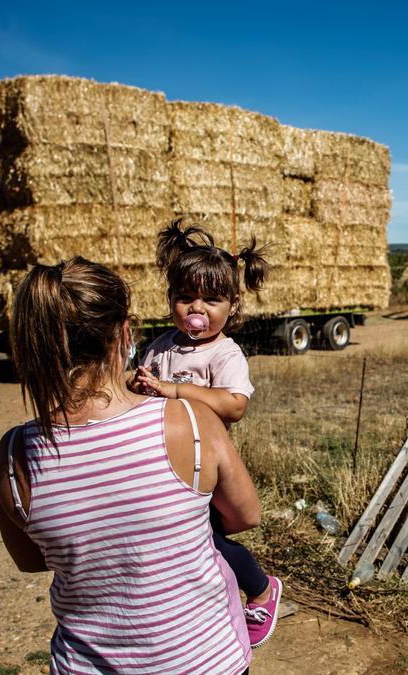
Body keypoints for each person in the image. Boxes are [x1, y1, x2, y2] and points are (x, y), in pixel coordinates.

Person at [0, 257, 259, 674]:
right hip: (205, 660)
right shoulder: (190, 421)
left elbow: (33, 560)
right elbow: (245, 515)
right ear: (125, 332)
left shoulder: (14, 457)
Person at [130, 219, 282, 649]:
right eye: (185, 298)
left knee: (206, 539)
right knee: (174, 538)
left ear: (232, 307)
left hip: (206, 465)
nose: (197, 308)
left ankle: (261, 589)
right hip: (161, 460)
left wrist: (178, 390)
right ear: (171, 300)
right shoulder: (160, 346)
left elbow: (235, 404)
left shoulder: (224, 352)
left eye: (211, 300)